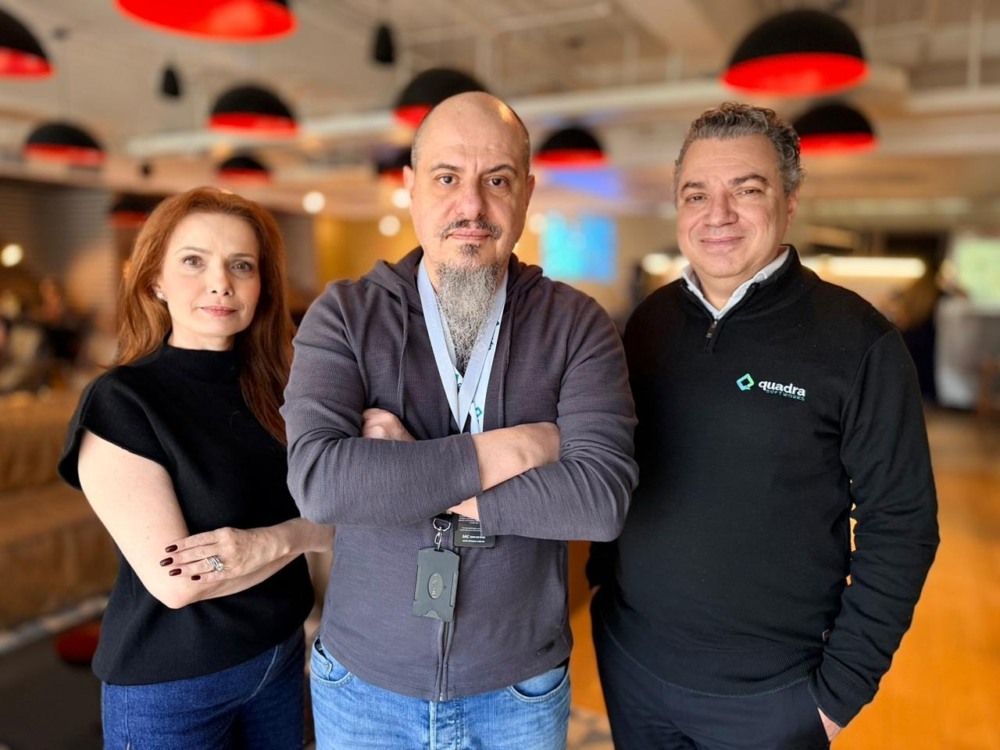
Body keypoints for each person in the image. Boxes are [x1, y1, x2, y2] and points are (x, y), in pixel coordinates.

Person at [282, 91, 637, 749]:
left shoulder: (577, 326)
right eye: (447, 178)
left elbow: (599, 500)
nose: (471, 205)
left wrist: (400, 475)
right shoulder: (346, 316)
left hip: (518, 692)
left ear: (525, 193)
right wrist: (516, 449)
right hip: (363, 689)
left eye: (496, 180)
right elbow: (322, 485)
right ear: (411, 187)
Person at [587, 103, 940, 749]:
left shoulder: (858, 339)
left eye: (746, 190)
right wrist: (600, 587)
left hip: (774, 697)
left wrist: (838, 693)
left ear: (790, 200)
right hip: (632, 663)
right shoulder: (649, 322)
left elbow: (903, 522)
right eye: (697, 194)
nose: (717, 214)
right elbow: (618, 458)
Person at [58, 187, 333, 749]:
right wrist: (305, 536)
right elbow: (178, 583)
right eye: (193, 261)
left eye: (242, 265)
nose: (220, 282)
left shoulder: (280, 392)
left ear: (262, 286)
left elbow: (340, 516)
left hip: (278, 657)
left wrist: (276, 540)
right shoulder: (122, 402)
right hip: (173, 687)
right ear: (154, 280)